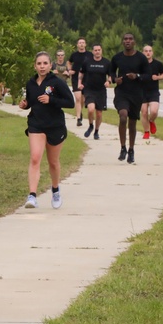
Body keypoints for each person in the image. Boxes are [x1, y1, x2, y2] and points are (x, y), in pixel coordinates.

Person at [18, 52, 75, 209]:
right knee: (35, 158)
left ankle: (55, 190)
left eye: (45, 63)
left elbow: (70, 102)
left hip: (55, 126)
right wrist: (25, 105)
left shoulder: (57, 82)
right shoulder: (31, 83)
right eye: (39, 63)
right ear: (35, 65)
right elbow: (31, 101)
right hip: (36, 124)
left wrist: (52, 100)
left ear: (51, 65)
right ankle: (32, 196)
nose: (42, 66)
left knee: (53, 162)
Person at [109, 33, 149, 164]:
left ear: (134, 42)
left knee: (132, 123)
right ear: (122, 42)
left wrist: (137, 76)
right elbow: (110, 71)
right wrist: (115, 79)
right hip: (122, 93)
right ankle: (122, 147)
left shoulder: (141, 58)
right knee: (122, 116)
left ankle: (131, 150)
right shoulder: (117, 58)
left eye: (130, 39)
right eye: (125, 39)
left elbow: (148, 75)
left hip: (136, 94)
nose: (127, 41)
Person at [78, 43, 110, 140]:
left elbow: (110, 74)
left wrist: (108, 81)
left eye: (99, 50)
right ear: (92, 51)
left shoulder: (106, 62)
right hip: (89, 89)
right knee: (91, 109)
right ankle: (91, 125)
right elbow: (81, 72)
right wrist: (79, 83)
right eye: (95, 50)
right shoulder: (87, 62)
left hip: (101, 90)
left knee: (99, 113)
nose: (97, 52)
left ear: (101, 51)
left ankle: (96, 131)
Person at [140, 45, 163, 140]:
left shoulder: (158, 64)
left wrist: (158, 77)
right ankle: (146, 132)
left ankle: (151, 121)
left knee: (154, 111)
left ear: (152, 52)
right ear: (143, 53)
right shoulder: (139, 64)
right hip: (142, 91)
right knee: (144, 112)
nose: (148, 53)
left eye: (150, 51)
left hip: (153, 91)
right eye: (146, 51)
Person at [68, 38, 90, 126]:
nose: (81, 44)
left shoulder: (89, 55)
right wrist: (69, 70)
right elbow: (69, 62)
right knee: (77, 98)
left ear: (85, 44)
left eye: (83, 43)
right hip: (75, 78)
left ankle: (80, 111)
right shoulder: (74, 55)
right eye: (80, 43)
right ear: (77, 45)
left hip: (86, 78)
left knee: (82, 99)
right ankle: (78, 118)